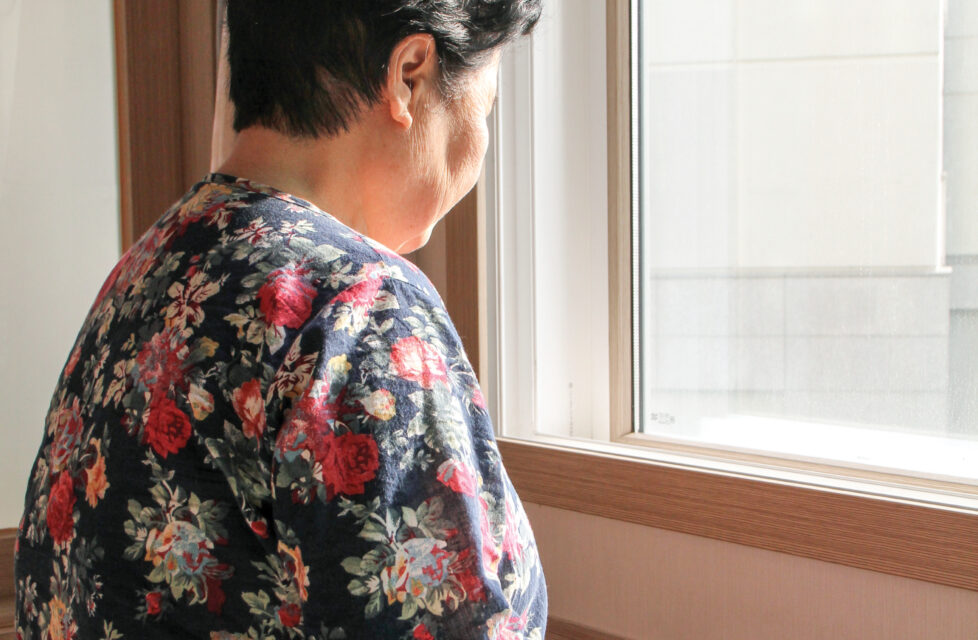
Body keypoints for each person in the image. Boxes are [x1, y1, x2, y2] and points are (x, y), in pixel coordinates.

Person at [14, 1, 546, 637]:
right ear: (409, 73)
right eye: (484, 109)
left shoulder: (142, 276)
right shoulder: (361, 309)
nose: (481, 150)